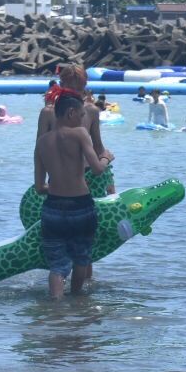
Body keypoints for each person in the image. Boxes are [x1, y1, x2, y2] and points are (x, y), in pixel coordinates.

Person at [35, 93, 105, 299]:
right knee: (81, 258)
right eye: (81, 114)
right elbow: (97, 169)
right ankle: (76, 302)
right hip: (81, 206)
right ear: (71, 112)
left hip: (53, 207)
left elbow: (39, 187)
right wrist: (106, 158)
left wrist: (57, 187)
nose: (82, 118)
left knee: (57, 265)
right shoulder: (80, 133)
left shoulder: (41, 142)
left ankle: (56, 308)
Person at [37, 64, 115, 193]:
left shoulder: (91, 111)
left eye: (79, 89)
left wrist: (110, 183)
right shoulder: (48, 113)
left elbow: (98, 147)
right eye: (71, 88)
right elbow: (40, 151)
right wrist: (43, 184)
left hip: (91, 174)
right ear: (61, 85)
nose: (75, 93)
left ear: (85, 86)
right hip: (59, 176)